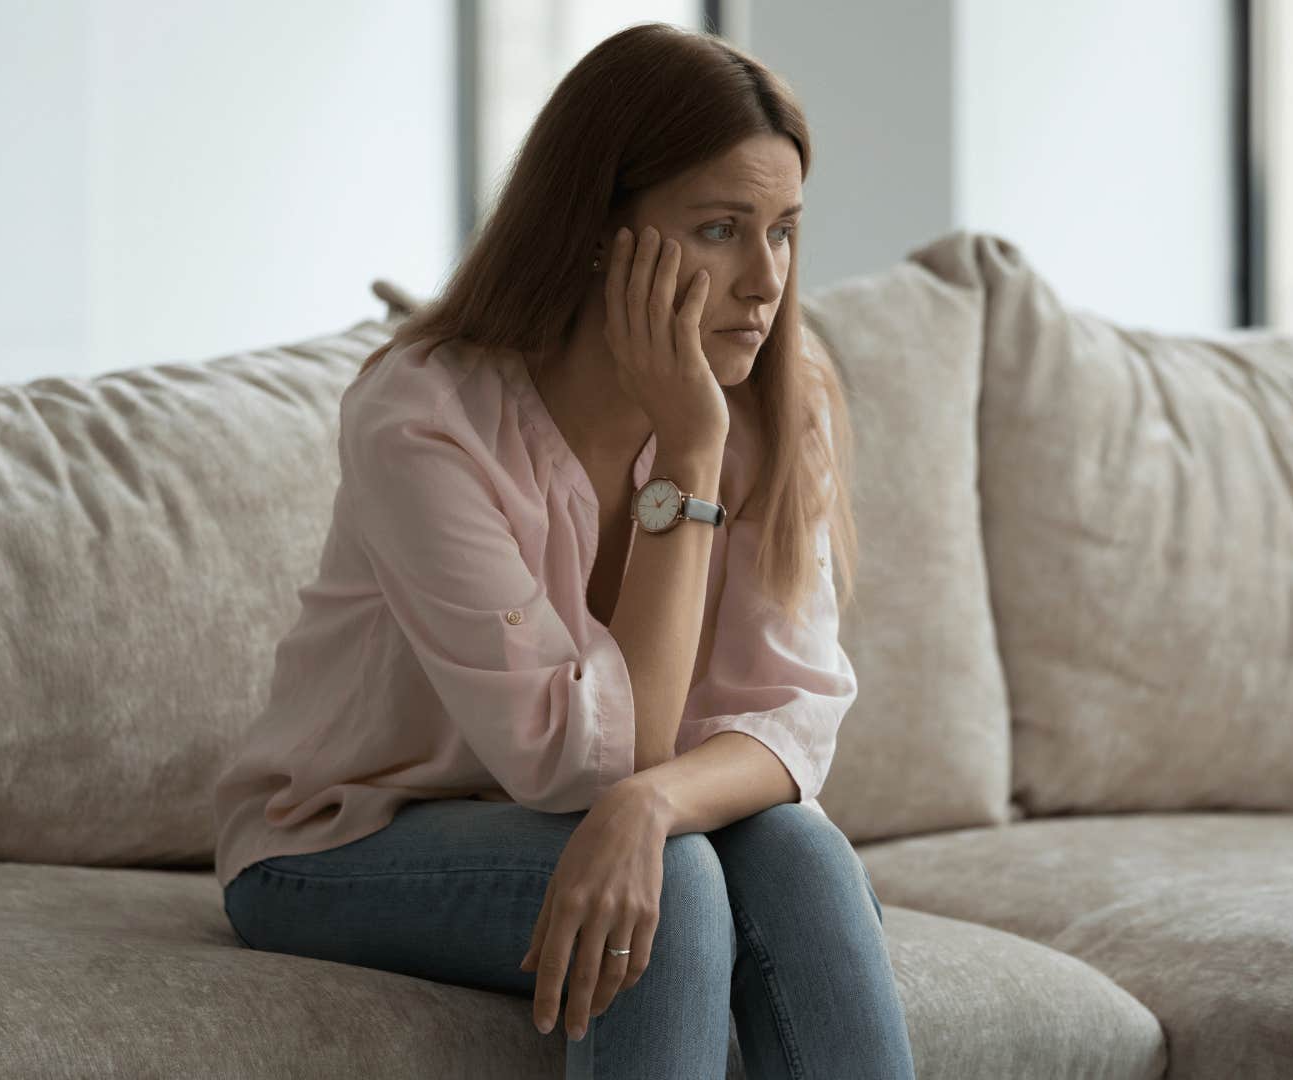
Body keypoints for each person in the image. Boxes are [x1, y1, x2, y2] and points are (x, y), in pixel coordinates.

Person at [211, 21, 914, 1079]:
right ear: (598, 229)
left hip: (617, 820)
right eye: (722, 229)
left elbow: (794, 716)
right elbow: (573, 762)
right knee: (675, 883)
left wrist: (652, 803)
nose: (766, 281)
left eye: (783, 231)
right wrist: (689, 453)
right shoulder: (425, 416)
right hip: (345, 843)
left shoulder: (781, 397)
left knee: (800, 850)